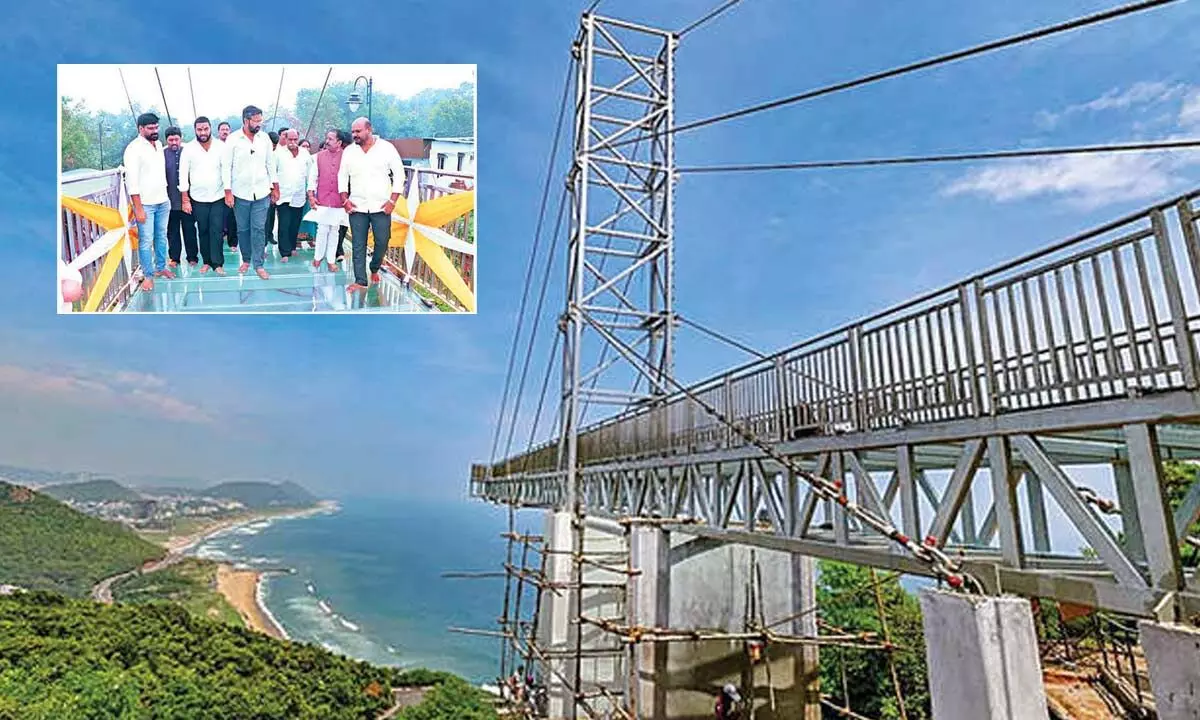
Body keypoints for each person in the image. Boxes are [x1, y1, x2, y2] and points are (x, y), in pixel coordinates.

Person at [338, 117, 403, 291]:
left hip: (381, 206)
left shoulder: (387, 148)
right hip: (357, 205)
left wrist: (392, 201)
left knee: (382, 241)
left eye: (358, 131)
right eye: (353, 132)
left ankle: (374, 268)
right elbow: (342, 176)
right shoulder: (350, 151)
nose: (354, 135)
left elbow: (399, 174)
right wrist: (344, 200)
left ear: (369, 130)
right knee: (358, 243)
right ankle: (360, 280)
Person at [223, 104, 277, 279]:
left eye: (260, 121)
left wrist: (275, 187)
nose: (259, 124)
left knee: (259, 228)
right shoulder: (233, 140)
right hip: (240, 193)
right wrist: (228, 191)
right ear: (246, 120)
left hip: (262, 192)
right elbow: (226, 167)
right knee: (243, 229)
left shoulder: (265, 139)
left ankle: (259, 264)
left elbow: (270, 164)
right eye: (256, 121)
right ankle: (246, 259)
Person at [123, 112, 171, 291]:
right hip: (146, 204)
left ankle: (161, 267)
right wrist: (138, 208)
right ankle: (148, 275)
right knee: (145, 241)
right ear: (140, 129)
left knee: (161, 237)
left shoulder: (158, 144)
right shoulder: (133, 149)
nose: (155, 130)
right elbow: (132, 181)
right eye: (150, 128)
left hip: (163, 200)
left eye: (156, 127)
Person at [180, 116, 228, 274]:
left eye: (205, 129)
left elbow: (226, 171)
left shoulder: (221, 146)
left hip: (218, 196)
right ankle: (206, 261)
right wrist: (185, 199)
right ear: (195, 130)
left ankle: (218, 263)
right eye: (199, 129)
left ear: (210, 128)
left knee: (217, 229)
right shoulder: (188, 149)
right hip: (197, 197)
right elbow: (183, 174)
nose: (203, 132)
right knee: (203, 229)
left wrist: (228, 193)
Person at [306, 128, 350, 272]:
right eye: (327, 138)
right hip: (323, 199)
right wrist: (311, 196)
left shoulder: (347, 157)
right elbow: (312, 177)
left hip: (339, 200)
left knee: (335, 230)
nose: (327, 141)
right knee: (322, 229)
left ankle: (331, 260)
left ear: (339, 142)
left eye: (331, 139)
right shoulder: (318, 156)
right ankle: (318, 258)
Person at [272, 129, 311, 262]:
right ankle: (284, 252)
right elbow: (272, 173)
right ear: (285, 139)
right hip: (282, 194)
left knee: (295, 223)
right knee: (284, 223)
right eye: (290, 139)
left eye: (295, 140)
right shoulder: (278, 153)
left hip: (299, 195)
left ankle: (292, 246)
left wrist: (310, 191)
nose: (293, 142)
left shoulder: (305, 154)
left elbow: (310, 173)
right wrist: (274, 190)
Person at [163, 126, 198, 268]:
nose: (174, 143)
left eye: (176, 139)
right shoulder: (162, 154)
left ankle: (192, 257)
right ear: (166, 140)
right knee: (172, 231)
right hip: (169, 200)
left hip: (188, 200)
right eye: (171, 140)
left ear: (181, 138)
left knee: (189, 229)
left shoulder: (188, 152)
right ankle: (174, 258)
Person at [217, 121, 237, 250]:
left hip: (233, 186)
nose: (225, 132)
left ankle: (233, 242)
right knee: (219, 216)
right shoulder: (215, 146)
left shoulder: (234, 145)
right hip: (218, 187)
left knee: (232, 216)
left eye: (227, 129)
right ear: (218, 132)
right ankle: (219, 239)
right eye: (222, 129)